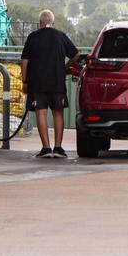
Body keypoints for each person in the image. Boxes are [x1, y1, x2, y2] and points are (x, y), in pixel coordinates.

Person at [20, 9, 78, 158]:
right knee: (58, 113)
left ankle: (46, 149)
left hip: (37, 82)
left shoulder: (33, 37)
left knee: (41, 112)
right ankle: (58, 148)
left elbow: (25, 61)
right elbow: (76, 54)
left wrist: (24, 81)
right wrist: (65, 67)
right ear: (53, 22)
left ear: (40, 23)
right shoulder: (60, 36)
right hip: (57, 81)